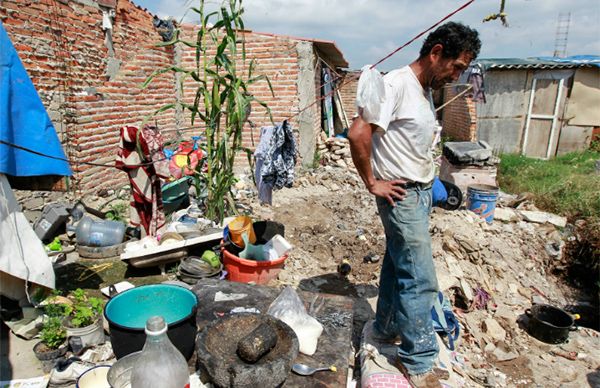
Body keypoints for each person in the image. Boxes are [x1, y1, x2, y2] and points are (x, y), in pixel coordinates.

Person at [349, 22, 481, 388]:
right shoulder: (396, 85)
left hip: (420, 192)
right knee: (421, 278)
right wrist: (372, 182)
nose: (456, 75)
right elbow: (358, 132)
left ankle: (387, 326)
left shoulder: (422, 91)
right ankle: (418, 360)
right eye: (456, 67)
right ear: (436, 52)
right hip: (401, 196)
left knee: (397, 264)